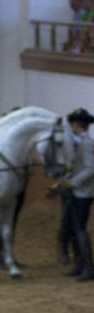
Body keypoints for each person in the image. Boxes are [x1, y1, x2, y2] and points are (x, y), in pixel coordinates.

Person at [66, 109, 94, 280]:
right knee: (73, 229)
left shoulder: (87, 144)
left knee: (80, 229)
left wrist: (73, 182)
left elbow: (91, 169)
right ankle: (79, 264)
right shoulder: (82, 143)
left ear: (76, 124)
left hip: (84, 192)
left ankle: (88, 267)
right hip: (78, 191)